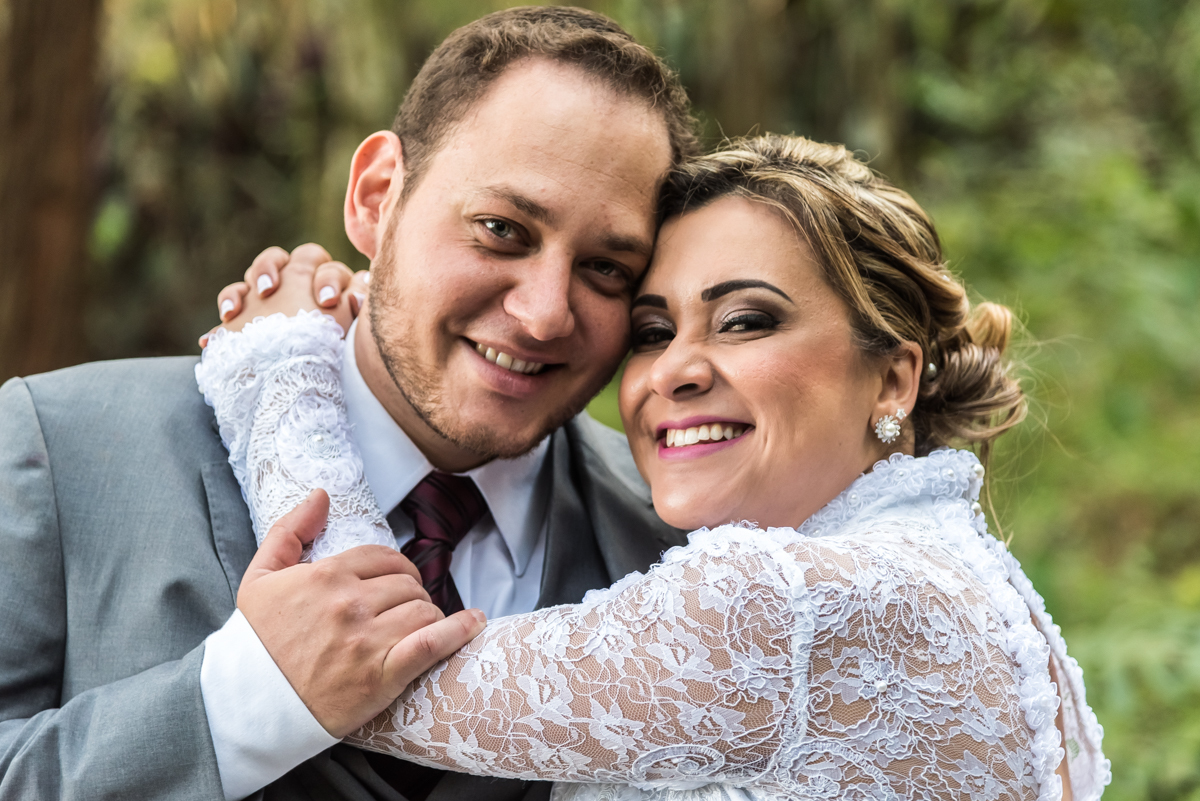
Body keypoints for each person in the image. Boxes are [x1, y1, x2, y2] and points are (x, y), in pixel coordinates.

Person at [200, 135, 1110, 800]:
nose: (677, 368)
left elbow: (365, 667)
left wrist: (278, 365)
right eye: (651, 330)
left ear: (896, 375)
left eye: (747, 319)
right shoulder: (969, 585)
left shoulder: (782, 601)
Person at [0, 8, 702, 800]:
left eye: (607, 268)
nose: (544, 313)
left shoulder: (679, 542)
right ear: (376, 198)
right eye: (502, 229)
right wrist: (242, 702)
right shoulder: (57, 445)